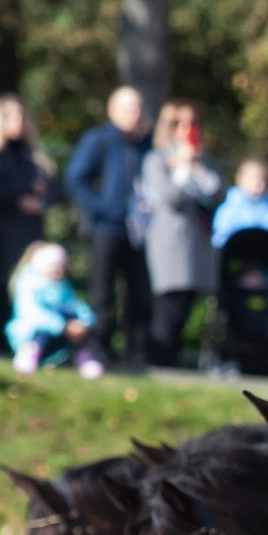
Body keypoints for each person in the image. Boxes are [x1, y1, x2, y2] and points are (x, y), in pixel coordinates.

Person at [63, 86, 154, 368]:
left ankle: (137, 355)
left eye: (138, 107)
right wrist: (105, 208)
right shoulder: (99, 140)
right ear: (113, 111)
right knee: (102, 294)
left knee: (139, 294)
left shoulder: (146, 146)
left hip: (138, 233)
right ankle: (99, 351)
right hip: (106, 229)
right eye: (128, 108)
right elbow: (76, 179)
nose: (134, 113)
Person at [135, 100, 225, 369]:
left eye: (192, 122)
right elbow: (170, 197)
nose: (187, 129)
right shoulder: (157, 159)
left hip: (197, 243)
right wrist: (183, 168)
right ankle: (160, 365)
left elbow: (216, 194)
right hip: (169, 243)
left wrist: (196, 166)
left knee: (185, 305)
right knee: (168, 308)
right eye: (179, 123)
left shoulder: (203, 159)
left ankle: (169, 363)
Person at [0, 93, 56, 343]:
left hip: (30, 230)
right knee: (2, 283)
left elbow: (54, 187)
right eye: (10, 116)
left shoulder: (34, 155)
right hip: (1, 229)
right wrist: (20, 196)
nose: (17, 121)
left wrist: (41, 201)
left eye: (21, 115)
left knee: (28, 283)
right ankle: (0, 336)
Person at [7, 240, 104, 378]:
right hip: (30, 335)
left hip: (59, 336)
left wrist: (85, 322)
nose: (58, 270)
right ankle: (29, 354)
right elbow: (34, 315)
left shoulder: (63, 286)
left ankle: (85, 359)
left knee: (72, 318)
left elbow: (75, 306)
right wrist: (63, 326)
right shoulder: (29, 285)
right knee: (45, 327)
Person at [213, 157, 268, 248]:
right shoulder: (229, 209)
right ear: (240, 179)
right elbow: (219, 238)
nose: (260, 184)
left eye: (263, 179)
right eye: (254, 178)